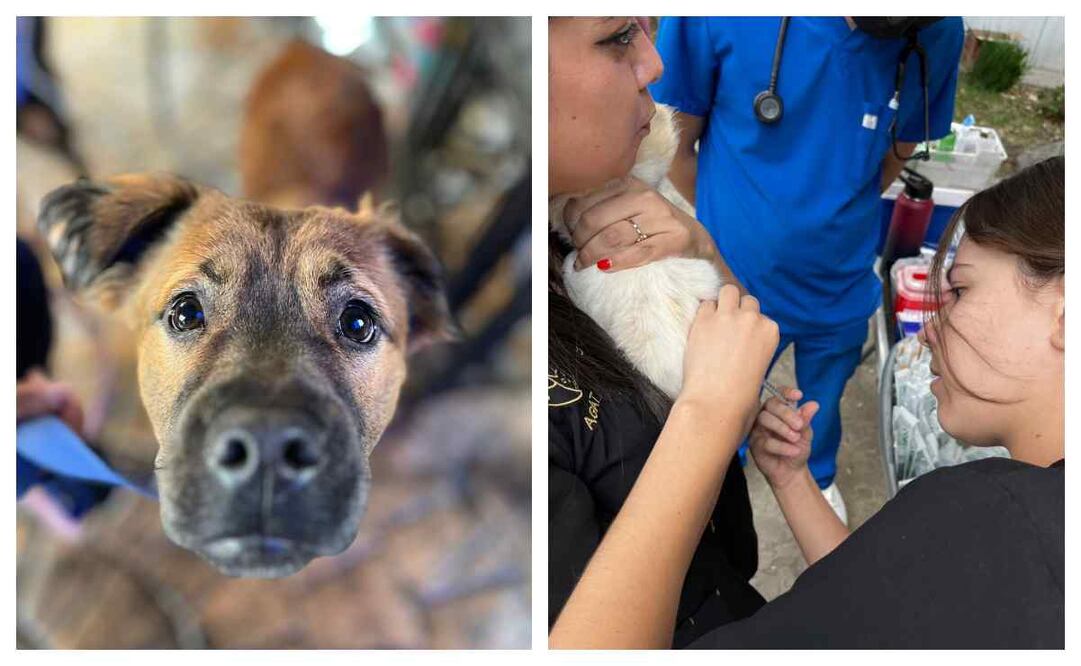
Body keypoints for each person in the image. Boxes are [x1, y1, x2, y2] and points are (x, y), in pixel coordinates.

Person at [549, 156, 1064, 649]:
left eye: (960, 290)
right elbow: (883, 597)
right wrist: (793, 478)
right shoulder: (1008, 536)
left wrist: (706, 415)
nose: (928, 332)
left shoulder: (992, 517)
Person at [651, 17, 965, 522]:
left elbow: (897, 152)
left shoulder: (936, 30)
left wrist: (824, 213)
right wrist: (723, 237)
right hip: (733, 280)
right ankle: (720, 478)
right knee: (718, 411)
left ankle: (817, 479)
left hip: (839, 282)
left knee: (819, 406)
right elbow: (674, 142)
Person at [548, 17, 770, 646]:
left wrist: (703, 249)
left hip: (724, 574)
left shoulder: (615, 194)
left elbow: (726, 329)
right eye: (618, 36)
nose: (655, 64)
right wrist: (711, 414)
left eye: (648, 29)